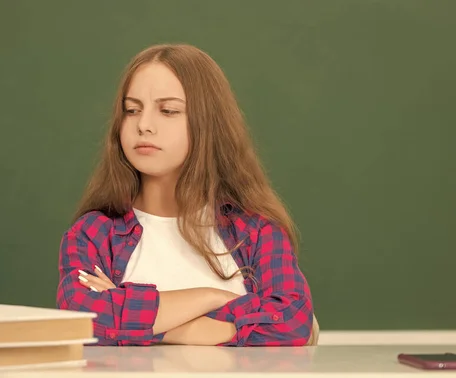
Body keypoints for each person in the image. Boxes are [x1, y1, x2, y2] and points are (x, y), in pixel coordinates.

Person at [56, 44, 314, 346]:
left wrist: (135, 320)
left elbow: (292, 321)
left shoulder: (257, 231)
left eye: (168, 111)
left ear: (207, 124)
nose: (144, 125)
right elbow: (81, 319)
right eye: (132, 110)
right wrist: (210, 296)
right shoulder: (92, 234)